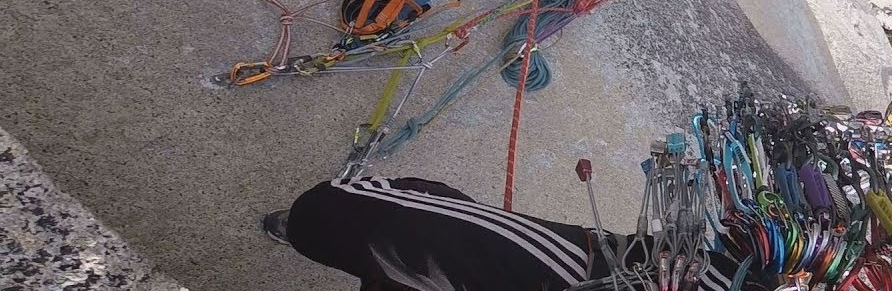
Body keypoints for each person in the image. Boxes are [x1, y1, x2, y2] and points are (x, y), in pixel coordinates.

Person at [262, 176, 759, 291]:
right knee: (425, 231)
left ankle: (309, 226)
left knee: (415, 231)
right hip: (589, 267)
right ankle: (309, 226)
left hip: (569, 268)